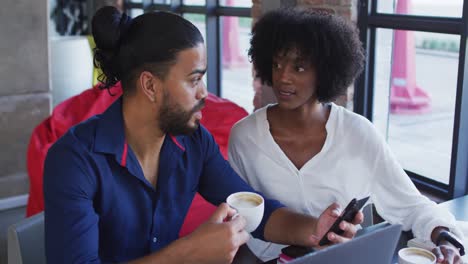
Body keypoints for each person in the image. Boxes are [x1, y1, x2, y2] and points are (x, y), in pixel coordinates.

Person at [43, 7, 364, 264]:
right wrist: (187, 254)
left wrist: (313, 229)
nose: (204, 93)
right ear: (150, 85)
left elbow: (256, 210)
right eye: (193, 80)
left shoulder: (193, 143)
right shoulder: (74, 160)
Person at [228, 8, 465, 263]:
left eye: (299, 67)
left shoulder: (357, 133)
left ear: (326, 71)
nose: (283, 77)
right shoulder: (245, 137)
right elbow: (238, 221)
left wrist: (445, 239)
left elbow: (412, 205)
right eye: (276, 64)